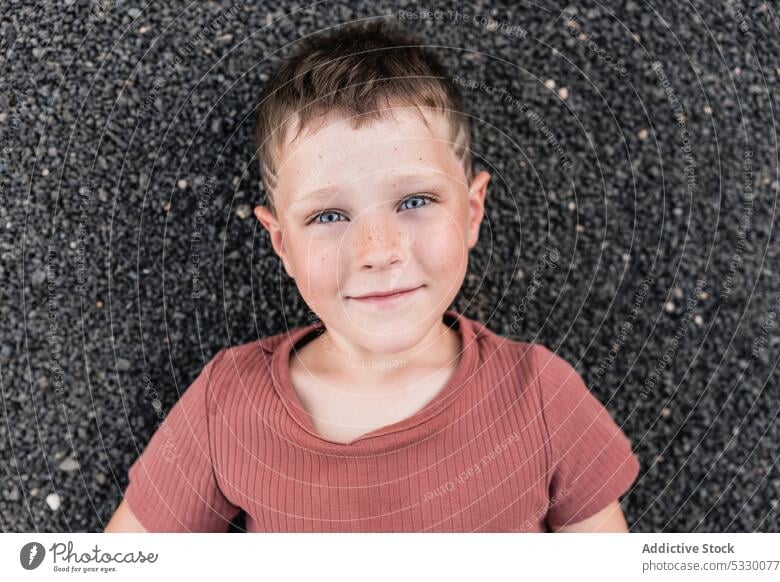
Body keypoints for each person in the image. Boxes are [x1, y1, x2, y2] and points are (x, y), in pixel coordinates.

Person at [105, 17, 639, 533]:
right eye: (329, 216)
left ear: (472, 211)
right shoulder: (226, 405)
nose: (378, 251)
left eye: (415, 200)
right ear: (282, 244)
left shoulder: (540, 396)